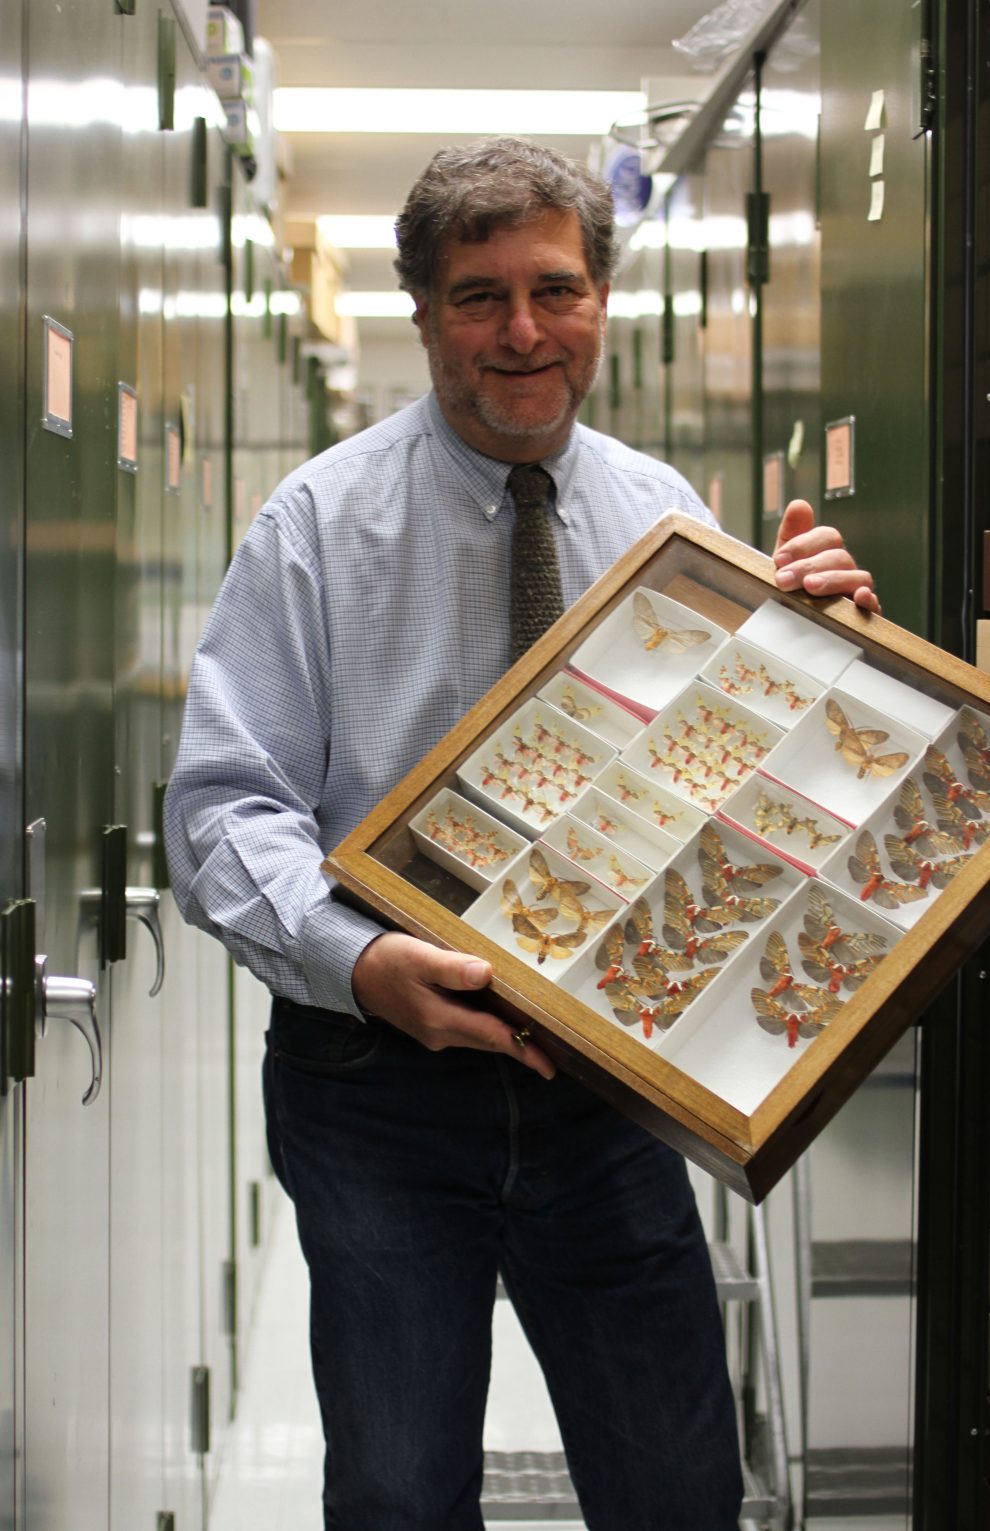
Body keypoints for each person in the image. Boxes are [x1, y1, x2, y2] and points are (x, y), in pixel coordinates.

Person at [164, 137, 879, 1531]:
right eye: (477, 297)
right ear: (422, 312)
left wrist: (830, 665)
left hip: (604, 1094)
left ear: (601, 298)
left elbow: (721, 798)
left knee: (674, 1488)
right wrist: (356, 963)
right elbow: (218, 808)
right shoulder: (315, 525)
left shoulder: (661, 518)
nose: (522, 332)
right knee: (397, 1491)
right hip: (375, 1085)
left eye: (555, 288)